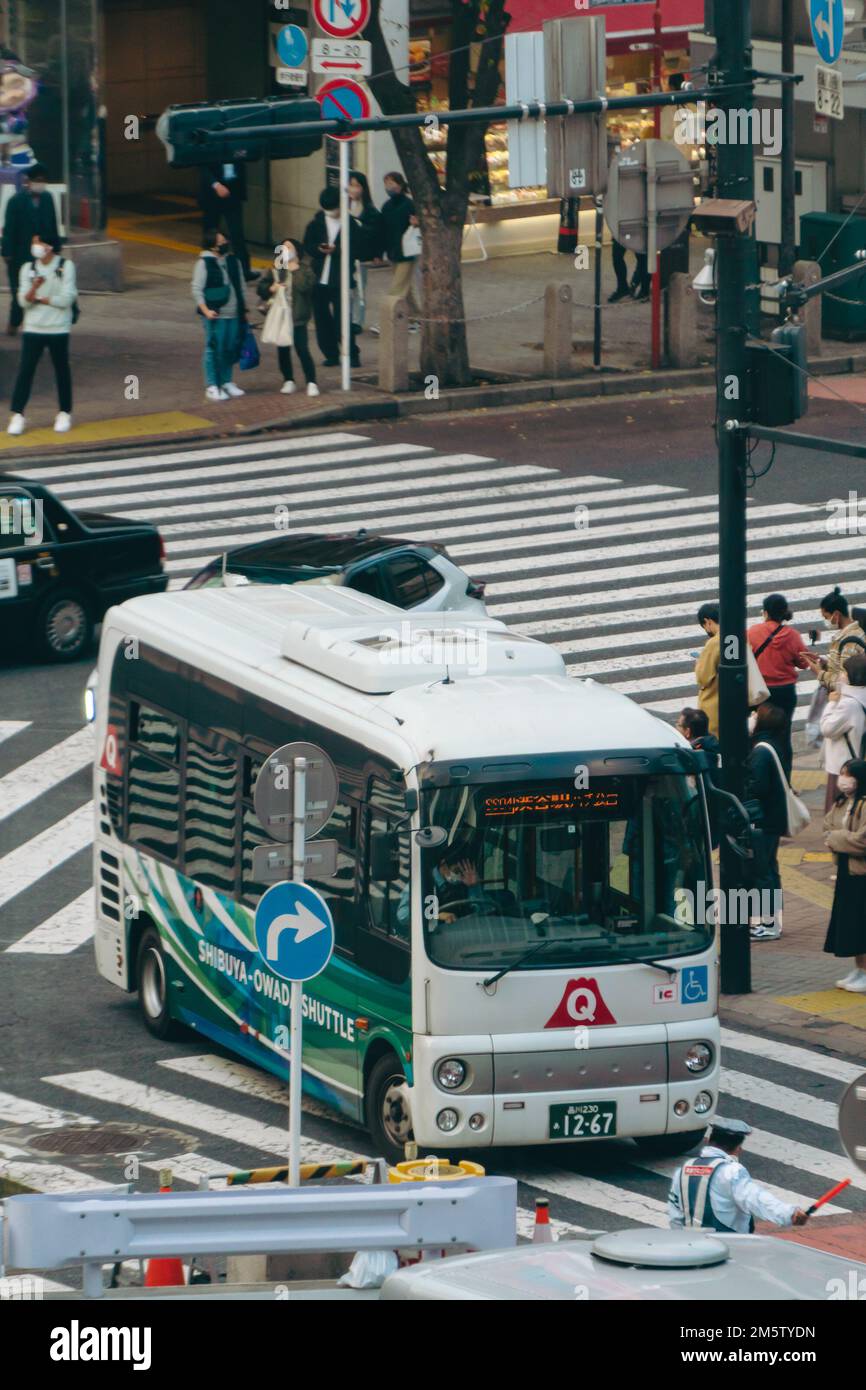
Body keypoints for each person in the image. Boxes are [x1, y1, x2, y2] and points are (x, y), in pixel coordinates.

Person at [668, 1117, 808, 1232]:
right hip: (727, 1247)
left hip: (690, 1247)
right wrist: (789, 1214)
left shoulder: (683, 1169)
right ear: (738, 1149)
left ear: (707, 1141)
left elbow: (675, 1216)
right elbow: (757, 1199)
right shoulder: (732, 1172)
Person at [7, 233, 75, 436]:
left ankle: (64, 412)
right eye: (33, 242)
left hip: (58, 328)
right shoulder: (28, 269)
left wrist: (42, 299)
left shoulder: (65, 266)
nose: (35, 246)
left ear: (50, 246)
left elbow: (67, 298)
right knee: (26, 370)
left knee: (61, 370)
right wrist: (34, 288)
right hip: (33, 328)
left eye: (38, 242)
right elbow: (23, 301)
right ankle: (18, 414)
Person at [747, 594, 810, 780]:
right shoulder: (792, 636)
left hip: (760, 692)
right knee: (783, 735)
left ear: (765, 613)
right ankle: (785, 782)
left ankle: (758, 776)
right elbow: (803, 663)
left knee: (756, 732)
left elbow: (743, 655)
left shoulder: (752, 632)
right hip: (785, 692)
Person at [303, 186, 364, 368]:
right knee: (321, 320)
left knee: (343, 318)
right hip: (319, 277)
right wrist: (318, 250)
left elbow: (359, 248)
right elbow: (308, 245)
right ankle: (331, 353)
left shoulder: (350, 224)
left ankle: (351, 352)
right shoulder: (316, 223)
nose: (331, 213)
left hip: (341, 277)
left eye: (334, 209)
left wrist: (338, 251)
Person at [745, 702, 790, 940]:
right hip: (773, 819)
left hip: (763, 820)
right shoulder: (775, 745)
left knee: (763, 872)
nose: (752, 717)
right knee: (770, 869)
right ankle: (772, 922)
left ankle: (770, 924)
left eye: (756, 715)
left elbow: (758, 787)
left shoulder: (761, 751)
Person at [823, 757, 866, 993]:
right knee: (851, 923)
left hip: (861, 873)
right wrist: (839, 838)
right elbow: (826, 827)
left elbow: (862, 840)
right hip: (846, 871)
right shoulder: (842, 803)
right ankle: (859, 969)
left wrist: (837, 839)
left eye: (848, 774)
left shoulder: (864, 805)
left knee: (862, 923)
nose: (843, 779)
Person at [256, 238, 319, 398]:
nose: (286, 250)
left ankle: (311, 382)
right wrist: (272, 287)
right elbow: (262, 288)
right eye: (283, 248)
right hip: (280, 316)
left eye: (289, 247)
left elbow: (306, 287)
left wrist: (294, 270)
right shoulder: (277, 268)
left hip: (298, 317)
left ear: (297, 250)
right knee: (283, 349)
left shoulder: (305, 270)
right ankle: (288, 380)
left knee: (302, 349)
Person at [191, 227, 247, 403]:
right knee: (214, 348)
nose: (223, 245)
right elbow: (196, 289)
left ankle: (226, 381)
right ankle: (212, 385)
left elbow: (241, 286)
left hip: (234, 313)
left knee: (229, 348)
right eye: (219, 243)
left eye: (224, 241)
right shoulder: (204, 263)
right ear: (212, 246)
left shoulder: (233, 261)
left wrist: (243, 310)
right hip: (216, 314)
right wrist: (206, 311)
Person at [1, 162, 58, 333]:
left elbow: (53, 224)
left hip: (42, 254)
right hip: (19, 255)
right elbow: (9, 229)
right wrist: (7, 253)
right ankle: (14, 322)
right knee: (19, 291)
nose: (41, 184)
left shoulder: (48, 198)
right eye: (37, 180)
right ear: (29, 181)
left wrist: (55, 247)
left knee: (41, 290)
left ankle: (37, 325)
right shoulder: (16, 201)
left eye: (44, 180)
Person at [819, 654, 866, 813]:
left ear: (853, 675)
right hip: (858, 761)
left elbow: (827, 729)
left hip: (843, 767)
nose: (841, 675)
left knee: (837, 813)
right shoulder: (862, 697)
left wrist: (831, 704)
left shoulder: (848, 704)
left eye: (844, 672)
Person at [198, 161, 255, 282]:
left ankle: (245, 270)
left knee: (237, 232)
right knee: (211, 234)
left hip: (232, 192)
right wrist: (216, 185)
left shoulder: (234, 144)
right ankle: (208, 269)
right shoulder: (211, 144)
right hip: (212, 195)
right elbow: (203, 166)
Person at [804, 587, 866, 694]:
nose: (826, 621)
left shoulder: (850, 642)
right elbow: (842, 667)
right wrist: (825, 663)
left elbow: (845, 683)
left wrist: (819, 673)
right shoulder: (846, 635)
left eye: (826, 617)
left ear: (836, 614)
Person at [378, 171, 420, 328]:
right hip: (393, 252)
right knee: (405, 287)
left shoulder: (409, 205)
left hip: (407, 253)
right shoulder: (386, 206)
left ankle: (388, 320)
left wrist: (416, 223)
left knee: (397, 288)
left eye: (391, 183)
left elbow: (419, 224)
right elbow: (383, 230)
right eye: (386, 183)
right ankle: (417, 316)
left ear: (401, 185)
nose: (388, 187)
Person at [676, 707, 721, 846]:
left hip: (700, 824)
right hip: (716, 821)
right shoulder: (714, 748)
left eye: (678, 725)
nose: (675, 728)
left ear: (687, 732)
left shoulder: (692, 759)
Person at [348, 170, 383, 338]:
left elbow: (375, 232)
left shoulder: (369, 210)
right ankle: (346, 319)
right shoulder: (344, 205)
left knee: (359, 289)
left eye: (356, 185)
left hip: (360, 256)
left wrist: (376, 253)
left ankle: (357, 321)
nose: (353, 189)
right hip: (344, 254)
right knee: (346, 288)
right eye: (351, 185)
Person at [694, 602, 720, 738]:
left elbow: (703, 677)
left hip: (714, 705)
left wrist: (699, 663)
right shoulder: (737, 636)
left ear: (708, 622)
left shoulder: (714, 642)